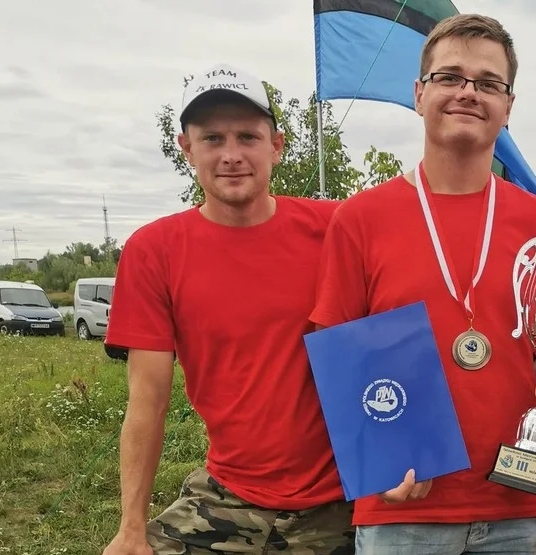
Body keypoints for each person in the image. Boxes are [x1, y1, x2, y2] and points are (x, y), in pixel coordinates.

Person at [309, 13, 536, 555]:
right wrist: (378, 461)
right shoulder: (361, 219)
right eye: (450, 77)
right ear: (418, 94)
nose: (469, 92)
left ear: (508, 106)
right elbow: (338, 358)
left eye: (489, 83)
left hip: (520, 505)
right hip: (404, 506)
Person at [102, 63, 353, 555]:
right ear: (187, 148)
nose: (232, 155)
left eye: (247, 137)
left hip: (344, 498)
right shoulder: (155, 250)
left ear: (276, 146)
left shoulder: (337, 227)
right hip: (229, 493)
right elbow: (147, 401)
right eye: (213, 138)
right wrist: (131, 527)